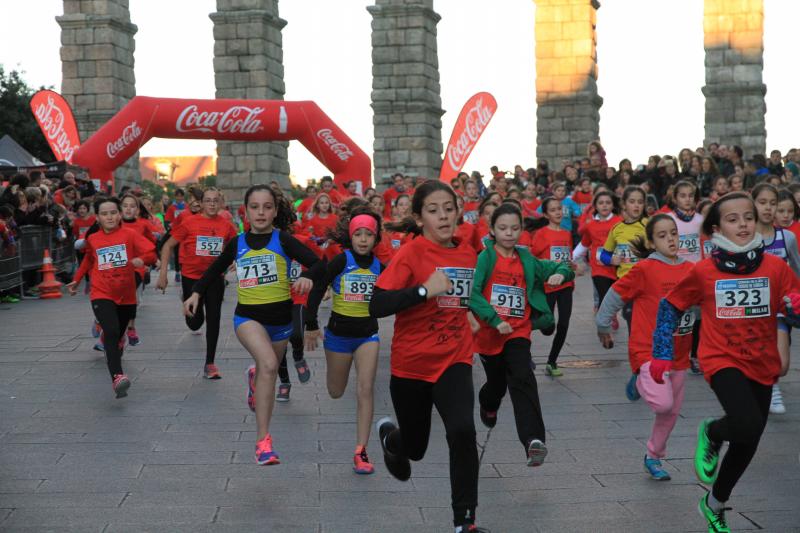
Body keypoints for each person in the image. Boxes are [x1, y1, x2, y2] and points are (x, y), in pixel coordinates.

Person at [651, 192, 800, 533]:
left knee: (749, 440)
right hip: (721, 358)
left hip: (762, 362)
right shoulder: (703, 271)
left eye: (748, 217)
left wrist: (794, 307)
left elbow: (794, 302)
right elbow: (670, 307)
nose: (744, 224)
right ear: (717, 228)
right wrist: (661, 352)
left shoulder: (775, 267)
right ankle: (713, 431)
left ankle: (714, 503)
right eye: (733, 220)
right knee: (744, 423)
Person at [369, 181, 488, 533]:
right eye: (434, 210)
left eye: (449, 208)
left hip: (455, 358)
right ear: (420, 219)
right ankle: (392, 440)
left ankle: (464, 521)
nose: (443, 216)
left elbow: (465, 298)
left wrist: (473, 315)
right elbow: (377, 305)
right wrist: (423, 290)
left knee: (463, 431)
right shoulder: (410, 254)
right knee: (416, 448)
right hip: (412, 366)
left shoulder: (468, 253)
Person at [184, 185, 324, 465]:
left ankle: (254, 377)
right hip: (247, 318)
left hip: (281, 321)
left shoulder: (283, 240)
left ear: (274, 211)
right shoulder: (238, 243)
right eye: (255, 207)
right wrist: (196, 292)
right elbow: (215, 269)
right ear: (245, 211)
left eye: (267, 207)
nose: (261, 212)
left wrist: (308, 275)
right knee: (270, 366)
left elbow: (320, 263)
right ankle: (263, 442)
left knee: (265, 371)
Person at [469, 202, 573, 466]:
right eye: (503, 228)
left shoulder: (526, 258)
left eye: (515, 228)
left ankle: (533, 441)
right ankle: (488, 404)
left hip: (518, 332)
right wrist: (493, 319)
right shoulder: (486, 257)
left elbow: (562, 266)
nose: (509, 233)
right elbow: (473, 293)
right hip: (490, 336)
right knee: (496, 385)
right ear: (492, 230)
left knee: (523, 377)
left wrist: (561, 274)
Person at [596, 215, 694, 481]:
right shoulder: (645, 269)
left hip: (679, 353)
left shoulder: (692, 269)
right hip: (648, 350)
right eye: (662, 235)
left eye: (673, 233)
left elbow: (701, 304)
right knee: (663, 404)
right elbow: (616, 295)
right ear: (651, 242)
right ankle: (640, 379)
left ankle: (653, 456)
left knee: (671, 412)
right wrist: (603, 324)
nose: (671, 239)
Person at [305, 206, 385, 475]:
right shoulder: (341, 261)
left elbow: (397, 290)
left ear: (376, 239)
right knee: (335, 392)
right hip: (338, 336)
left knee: (365, 389)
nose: (363, 239)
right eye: (358, 234)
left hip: (367, 335)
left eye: (368, 235)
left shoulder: (379, 266)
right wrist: (311, 323)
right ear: (350, 237)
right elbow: (318, 287)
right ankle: (338, 375)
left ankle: (361, 450)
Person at [65, 197, 157, 398]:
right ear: (97, 218)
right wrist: (77, 279)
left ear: (119, 214)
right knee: (112, 330)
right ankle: (117, 377)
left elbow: (151, 251)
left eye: (113, 212)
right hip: (101, 292)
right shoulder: (94, 239)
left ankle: (112, 343)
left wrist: (143, 259)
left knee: (117, 334)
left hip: (126, 294)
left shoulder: (130, 235)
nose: (110, 217)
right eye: (105, 214)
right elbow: (89, 260)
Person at [156, 187, 238, 379]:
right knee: (195, 323)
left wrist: (237, 260)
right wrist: (163, 274)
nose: (211, 204)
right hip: (191, 277)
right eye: (207, 200)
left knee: (214, 318)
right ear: (201, 204)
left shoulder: (227, 225)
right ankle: (187, 301)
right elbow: (168, 245)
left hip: (214, 278)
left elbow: (236, 247)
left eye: (215, 200)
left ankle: (210, 363)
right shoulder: (189, 222)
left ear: (220, 203)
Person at [751, 183, 800, 415]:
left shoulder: (787, 237)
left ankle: (772, 381)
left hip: (780, 308)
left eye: (773, 204)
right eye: (763, 203)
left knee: (781, 363)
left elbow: (797, 270)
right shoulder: (745, 236)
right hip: (752, 309)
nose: (768, 208)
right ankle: (770, 388)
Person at [529, 198, 577, 376]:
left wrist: (571, 267)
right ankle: (525, 351)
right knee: (547, 327)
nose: (558, 212)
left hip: (565, 285)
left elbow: (568, 258)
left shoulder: (566, 233)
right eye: (553, 210)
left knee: (564, 323)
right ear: (546, 214)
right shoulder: (541, 234)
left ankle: (552, 361)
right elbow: (532, 259)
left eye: (559, 209)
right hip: (548, 286)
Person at [667, 180, 705, 375]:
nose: (687, 199)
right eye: (683, 196)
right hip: (675, 274)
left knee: (697, 318)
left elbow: (706, 245)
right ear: (675, 198)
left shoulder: (701, 220)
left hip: (697, 275)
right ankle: (670, 353)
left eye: (691, 195)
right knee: (674, 315)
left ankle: (695, 356)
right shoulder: (668, 219)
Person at [600, 185, 648, 333]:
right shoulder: (617, 228)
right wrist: (611, 260)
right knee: (631, 319)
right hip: (625, 282)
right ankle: (636, 354)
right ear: (624, 204)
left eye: (640, 202)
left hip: (646, 282)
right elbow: (604, 254)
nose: (636, 205)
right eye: (632, 201)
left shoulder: (649, 224)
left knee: (646, 323)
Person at [573, 190, 620, 319]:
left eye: (608, 203)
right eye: (601, 203)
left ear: (613, 205)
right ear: (595, 206)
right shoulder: (591, 225)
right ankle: (606, 321)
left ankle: (611, 313)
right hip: (599, 268)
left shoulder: (619, 222)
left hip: (617, 267)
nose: (604, 205)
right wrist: (570, 258)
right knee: (603, 295)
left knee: (615, 295)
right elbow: (584, 244)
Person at [120, 193, 158, 346]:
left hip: (136, 269)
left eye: (132, 206)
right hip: (115, 270)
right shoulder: (113, 223)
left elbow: (152, 243)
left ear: (137, 209)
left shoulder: (143, 224)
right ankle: (106, 327)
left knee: (130, 296)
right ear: (120, 208)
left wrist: (153, 259)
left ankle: (131, 327)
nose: (129, 209)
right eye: (125, 206)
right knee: (116, 301)